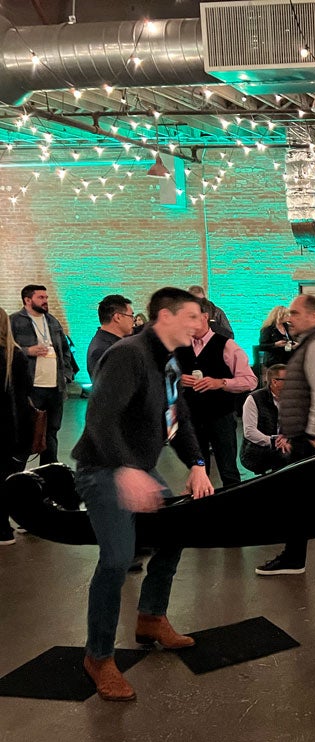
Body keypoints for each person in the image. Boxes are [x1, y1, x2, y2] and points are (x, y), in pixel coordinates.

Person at [72, 287, 215, 701]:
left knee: (174, 534)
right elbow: (100, 417)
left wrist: (198, 465)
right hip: (102, 470)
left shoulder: (168, 362)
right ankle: (98, 656)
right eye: (191, 316)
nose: (199, 324)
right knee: (117, 560)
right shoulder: (128, 354)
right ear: (164, 316)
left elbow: (177, 418)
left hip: (138, 468)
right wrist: (127, 469)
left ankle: (151, 618)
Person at [256, 294, 315, 577]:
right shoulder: (311, 344)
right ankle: (294, 556)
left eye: (296, 313)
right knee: (301, 498)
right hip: (313, 434)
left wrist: (314, 433)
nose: (290, 318)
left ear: (314, 316)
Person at [174, 299, 257, 489]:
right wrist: (179, 380)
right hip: (191, 417)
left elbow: (250, 381)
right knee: (198, 468)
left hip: (221, 416)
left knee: (228, 469)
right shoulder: (179, 346)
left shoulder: (227, 345)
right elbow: (165, 377)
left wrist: (221, 383)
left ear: (205, 317)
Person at [10, 284, 75, 464]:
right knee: (26, 433)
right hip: (31, 388)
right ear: (27, 300)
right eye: (41, 297)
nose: (46, 301)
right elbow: (7, 350)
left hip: (55, 388)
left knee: (52, 432)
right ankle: (16, 477)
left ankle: (49, 473)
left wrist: (66, 376)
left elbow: (66, 351)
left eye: (46, 297)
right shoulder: (14, 321)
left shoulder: (53, 321)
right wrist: (27, 351)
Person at [0, 308, 33, 546]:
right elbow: (24, 395)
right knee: (7, 478)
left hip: (9, 427)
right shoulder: (17, 355)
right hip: (15, 429)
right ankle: (8, 527)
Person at [240, 364, 290, 475]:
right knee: (284, 455)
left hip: (284, 442)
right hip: (258, 448)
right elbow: (249, 432)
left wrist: (287, 437)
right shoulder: (254, 399)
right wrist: (274, 441)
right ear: (274, 382)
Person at [86, 295, 134, 381]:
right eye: (131, 316)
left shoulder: (110, 342)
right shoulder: (102, 349)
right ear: (117, 317)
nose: (133, 320)